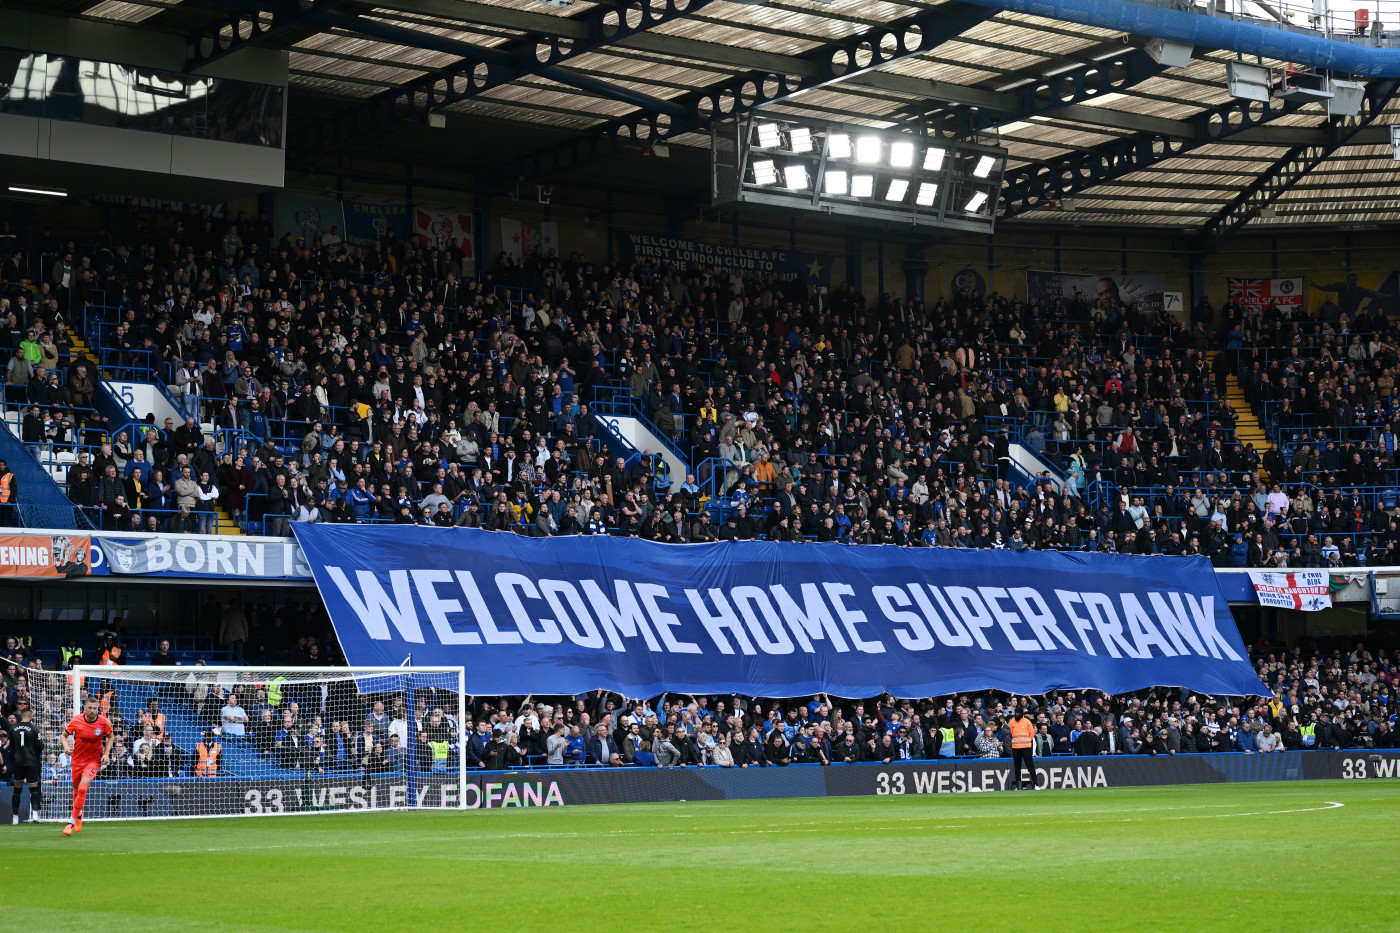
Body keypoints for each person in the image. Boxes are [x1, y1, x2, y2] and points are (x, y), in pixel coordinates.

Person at [61, 694, 113, 835]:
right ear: (85, 708)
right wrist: (66, 748)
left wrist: (107, 754)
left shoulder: (104, 722)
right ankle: (79, 815)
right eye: (89, 708)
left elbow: (110, 736)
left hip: (93, 761)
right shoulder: (76, 720)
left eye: (94, 708)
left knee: (83, 789)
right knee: (77, 792)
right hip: (77, 761)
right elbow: (64, 736)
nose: (92, 710)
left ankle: (70, 822)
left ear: (98, 709)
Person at [2, 705, 44, 822]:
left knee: (17, 790)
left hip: (18, 762)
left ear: (21, 716)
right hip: (31, 762)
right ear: (30, 716)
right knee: (34, 789)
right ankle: (35, 815)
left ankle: (15, 818)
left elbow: (11, 745)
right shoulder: (35, 728)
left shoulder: (12, 728)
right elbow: (41, 746)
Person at [1008, 707, 1036, 790]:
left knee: (1030, 766)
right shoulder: (1012, 722)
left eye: (1018, 713)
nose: (1016, 714)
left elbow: (1032, 733)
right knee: (1017, 768)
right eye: (1016, 713)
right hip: (1016, 747)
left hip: (1026, 747)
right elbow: (1012, 734)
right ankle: (1018, 785)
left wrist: (1026, 741)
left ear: (1021, 713)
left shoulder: (1027, 721)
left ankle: (1035, 784)